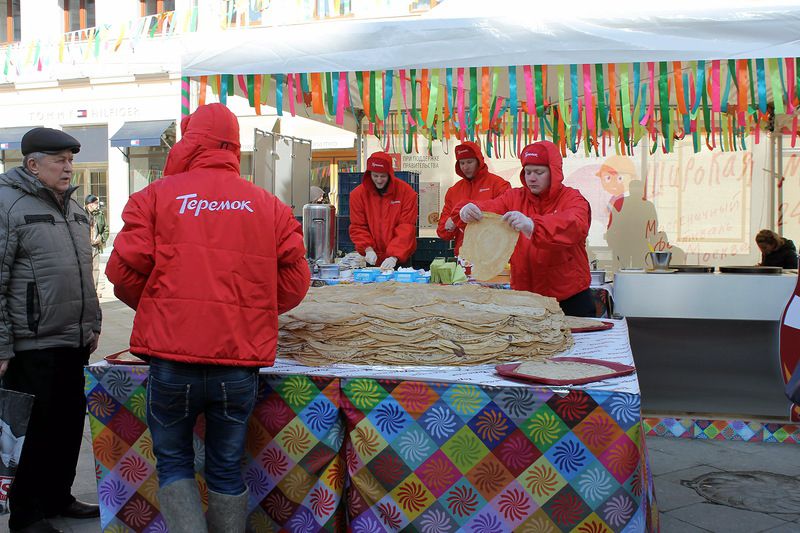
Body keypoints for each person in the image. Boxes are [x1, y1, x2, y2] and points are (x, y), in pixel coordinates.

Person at [106, 103, 310, 533]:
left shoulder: (156, 197)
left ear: (189, 140)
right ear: (235, 147)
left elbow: (122, 270)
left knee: (174, 462)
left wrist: (164, 306)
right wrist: (249, 309)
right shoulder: (268, 205)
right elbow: (294, 281)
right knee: (226, 467)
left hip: (170, 361)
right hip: (237, 362)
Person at [0, 127, 102, 533]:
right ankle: (27, 514)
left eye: (71, 159)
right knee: (33, 432)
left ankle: (59, 496)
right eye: (59, 160)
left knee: (66, 425)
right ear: (32, 163)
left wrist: (92, 324)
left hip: (73, 341)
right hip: (31, 344)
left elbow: (84, 274)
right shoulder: (7, 203)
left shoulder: (74, 207)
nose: (68, 167)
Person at [459, 140, 594, 317]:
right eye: (528, 172)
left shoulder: (572, 198)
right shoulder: (514, 197)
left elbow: (574, 225)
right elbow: (489, 208)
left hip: (569, 298)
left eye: (539, 172)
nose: (531, 178)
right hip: (525, 297)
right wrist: (468, 209)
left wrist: (533, 225)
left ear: (554, 173)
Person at [437, 141, 510, 254]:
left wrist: (459, 218)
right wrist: (449, 225)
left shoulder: (499, 185)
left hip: (493, 254)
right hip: (463, 256)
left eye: (469, 162)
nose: (465, 167)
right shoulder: (453, 191)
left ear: (479, 161)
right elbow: (443, 231)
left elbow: (504, 218)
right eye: (462, 163)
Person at [349, 152, 418, 271]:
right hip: (372, 256)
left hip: (400, 257)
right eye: (375, 176)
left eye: (383, 176)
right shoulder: (357, 195)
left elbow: (406, 227)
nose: (379, 180)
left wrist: (394, 256)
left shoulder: (406, 192)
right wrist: (367, 248)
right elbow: (358, 226)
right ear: (369, 174)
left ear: (390, 174)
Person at [84, 194, 108, 294]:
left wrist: (101, 239)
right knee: (86, 268)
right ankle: (86, 290)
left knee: (96, 269)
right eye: (95, 203)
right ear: (89, 204)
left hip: (96, 246)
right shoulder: (81, 214)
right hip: (85, 247)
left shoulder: (100, 215)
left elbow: (106, 230)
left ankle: (93, 290)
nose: (97, 205)